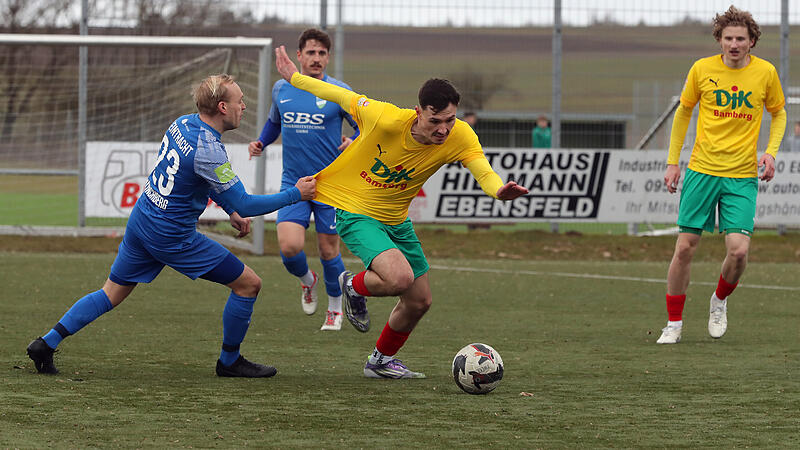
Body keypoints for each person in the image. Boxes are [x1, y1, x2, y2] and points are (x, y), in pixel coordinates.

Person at [26, 74, 316, 377]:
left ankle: (46, 343)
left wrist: (229, 209)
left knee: (110, 292)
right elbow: (245, 203)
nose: (244, 106)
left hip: (143, 218)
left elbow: (198, 180)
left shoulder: (183, 123)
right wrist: (295, 194)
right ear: (221, 107)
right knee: (248, 284)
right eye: (239, 101)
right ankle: (229, 361)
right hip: (171, 236)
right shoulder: (209, 149)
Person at [274, 45, 529, 378]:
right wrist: (295, 77)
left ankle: (379, 362)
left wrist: (497, 189)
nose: (443, 129)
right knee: (399, 278)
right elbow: (336, 93)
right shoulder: (384, 117)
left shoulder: (460, 134)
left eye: (450, 120)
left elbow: (481, 167)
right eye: (435, 121)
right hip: (357, 212)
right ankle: (352, 285)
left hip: (396, 221)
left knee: (419, 301)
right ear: (417, 112)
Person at [656, 6, 786, 344]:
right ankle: (674, 324)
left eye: (740, 38)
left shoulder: (766, 73)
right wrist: (673, 161)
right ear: (719, 40)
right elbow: (683, 112)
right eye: (728, 38)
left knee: (739, 251)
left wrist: (770, 151)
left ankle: (719, 300)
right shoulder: (702, 69)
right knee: (685, 247)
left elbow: (779, 113)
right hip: (702, 170)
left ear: (752, 41)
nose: (733, 44)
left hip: (742, 175)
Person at [248, 28, 358, 331]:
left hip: (330, 185)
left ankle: (335, 307)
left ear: (328, 57)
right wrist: (261, 142)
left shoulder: (339, 91)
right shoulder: (281, 90)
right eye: (311, 52)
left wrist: (355, 141)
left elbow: (365, 127)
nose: (317, 58)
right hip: (294, 184)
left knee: (328, 250)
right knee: (289, 247)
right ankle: (308, 281)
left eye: (322, 53)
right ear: (299, 56)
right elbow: (274, 124)